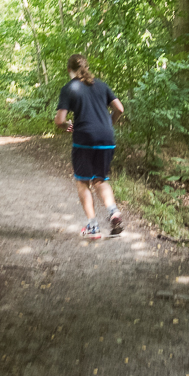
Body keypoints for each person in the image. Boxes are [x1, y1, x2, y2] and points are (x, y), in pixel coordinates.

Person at [55, 54, 124, 239]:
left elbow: (59, 120)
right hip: (106, 138)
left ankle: (93, 227)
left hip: (84, 139)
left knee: (83, 182)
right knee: (101, 180)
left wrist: (66, 125)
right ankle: (114, 212)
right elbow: (120, 108)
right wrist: (109, 123)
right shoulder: (101, 85)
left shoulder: (69, 88)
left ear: (69, 70)